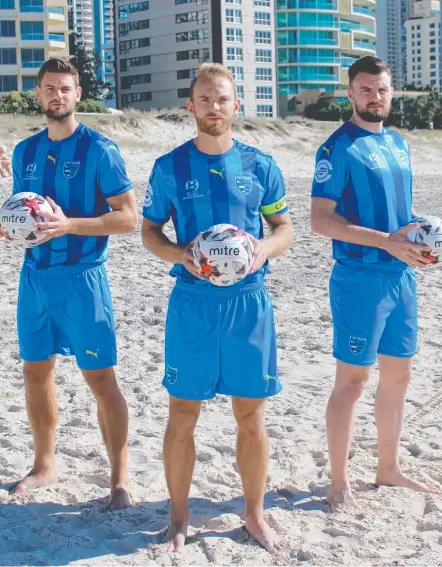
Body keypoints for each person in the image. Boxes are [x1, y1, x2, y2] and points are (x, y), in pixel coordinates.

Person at [142, 63, 293, 552]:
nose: (213, 107)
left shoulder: (260, 165)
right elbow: (149, 231)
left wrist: (260, 252)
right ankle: (179, 517)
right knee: (182, 414)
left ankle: (253, 514)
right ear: (191, 107)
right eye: (204, 99)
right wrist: (179, 254)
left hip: (249, 305)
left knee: (251, 416)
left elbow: (284, 229)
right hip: (192, 304)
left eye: (222, 99)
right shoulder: (169, 167)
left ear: (236, 105)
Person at [5, 58, 138, 510]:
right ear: (38, 94)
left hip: (83, 278)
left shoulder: (101, 149)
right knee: (35, 371)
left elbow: (128, 217)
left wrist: (71, 226)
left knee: (100, 379)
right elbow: (22, 212)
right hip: (34, 278)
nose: (57, 95)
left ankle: (120, 478)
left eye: (65, 88)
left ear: (78, 94)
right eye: (49, 88)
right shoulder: (23, 152)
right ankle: (45, 465)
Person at [310, 56, 439, 512]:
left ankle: (388, 468)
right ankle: (339, 482)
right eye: (366, 89)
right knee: (353, 381)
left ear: (390, 92)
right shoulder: (337, 148)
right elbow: (321, 221)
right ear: (350, 93)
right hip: (360, 277)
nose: (375, 96)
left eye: (382, 89)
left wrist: (417, 243)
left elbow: (399, 215)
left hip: (401, 275)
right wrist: (386, 241)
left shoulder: (399, 143)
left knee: (399, 375)